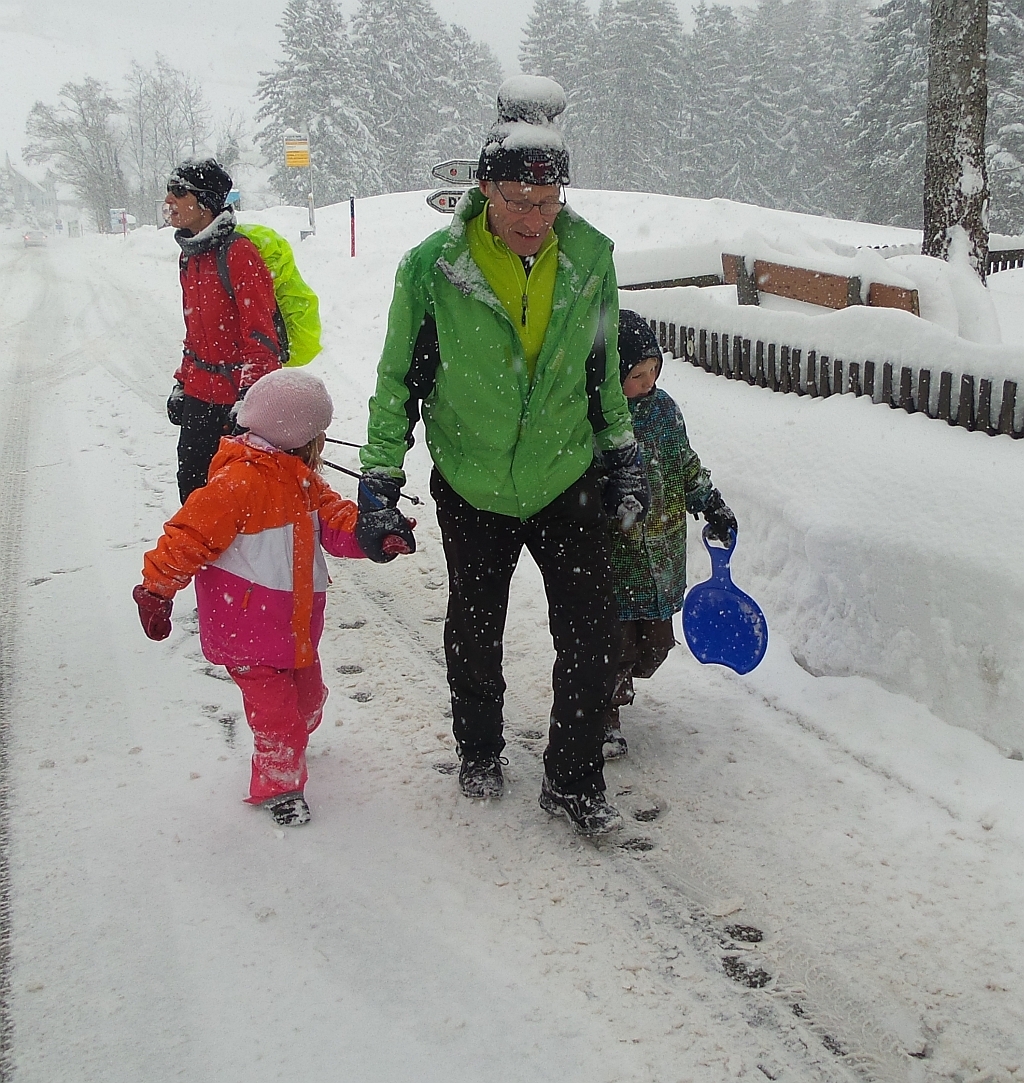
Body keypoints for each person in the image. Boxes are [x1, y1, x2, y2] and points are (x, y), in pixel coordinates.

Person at [358, 76, 650, 836]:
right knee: (475, 625)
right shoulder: (434, 266)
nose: (532, 219)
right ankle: (480, 746)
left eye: (546, 205)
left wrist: (623, 455)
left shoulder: (588, 258)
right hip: (472, 478)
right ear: (483, 186)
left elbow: (603, 368)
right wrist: (381, 475)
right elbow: (399, 378)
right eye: (517, 202)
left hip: (564, 473)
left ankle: (574, 778)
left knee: (589, 631)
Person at [132, 370, 416, 826]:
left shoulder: (301, 480)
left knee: (307, 703)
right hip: (247, 629)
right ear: (301, 438)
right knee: (278, 720)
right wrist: (156, 590)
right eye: (319, 434)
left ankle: (291, 745)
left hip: (294, 625)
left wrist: (370, 534)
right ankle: (278, 787)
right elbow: (186, 539)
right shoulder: (237, 485)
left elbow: (335, 519)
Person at [602, 311, 737, 758]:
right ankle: (606, 712)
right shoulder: (600, 417)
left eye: (653, 370)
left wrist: (710, 502)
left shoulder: (665, 410)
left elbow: (685, 462)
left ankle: (624, 680)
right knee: (615, 644)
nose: (647, 381)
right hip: (617, 557)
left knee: (656, 646)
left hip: (662, 554)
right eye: (635, 375)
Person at [164, 158, 284, 503]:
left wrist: (250, 401)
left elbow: (261, 336)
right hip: (200, 396)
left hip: (235, 400)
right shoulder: (189, 257)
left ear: (205, 203)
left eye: (179, 192)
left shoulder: (238, 254)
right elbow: (195, 334)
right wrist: (182, 382)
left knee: (238, 501)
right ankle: (201, 559)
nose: (169, 201)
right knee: (192, 490)